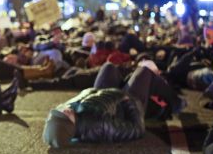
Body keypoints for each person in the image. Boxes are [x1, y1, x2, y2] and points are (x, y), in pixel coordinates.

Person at [43, 62, 184, 147]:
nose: (63, 110)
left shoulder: (72, 112)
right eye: (63, 116)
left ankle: (127, 79)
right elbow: (137, 128)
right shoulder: (100, 127)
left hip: (107, 97)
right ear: (69, 127)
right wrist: (129, 102)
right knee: (144, 71)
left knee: (109, 67)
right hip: (124, 104)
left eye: (59, 112)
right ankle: (176, 103)